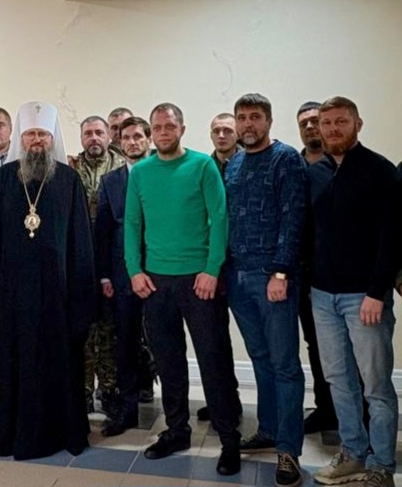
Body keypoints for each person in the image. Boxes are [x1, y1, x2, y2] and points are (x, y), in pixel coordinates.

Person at [125, 103, 241, 476]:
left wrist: (211, 269)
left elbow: (219, 217)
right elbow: (132, 224)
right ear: (151, 132)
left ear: (182, 129)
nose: (163, 132)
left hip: (199, 281)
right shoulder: (141, 172)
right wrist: (134, 271)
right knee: (168, 362)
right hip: (156, 282)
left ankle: (229, 439)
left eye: (170, 126)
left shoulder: (202, 166)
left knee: (213, 360)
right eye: (157, 127)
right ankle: (177, 431)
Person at [0, 101, 95, 460]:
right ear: (21, 138)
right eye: (30, 134)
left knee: (59, 363)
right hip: (13, 297)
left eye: (43, 134)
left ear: (52, 138)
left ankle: (62, 432)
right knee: (15, 364)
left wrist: (81, 296)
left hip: (58, 297)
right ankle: (15, 432)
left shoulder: (69, 180)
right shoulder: (3, 179)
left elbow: (80, 242)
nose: (37, 141)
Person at [308, 97, 400, 487]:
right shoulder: (317, 172)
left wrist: (377, 292)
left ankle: (381, 465)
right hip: (322, 296)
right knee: (339, 380)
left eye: (340, 122)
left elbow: (392, 238)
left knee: (375, 386)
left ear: (357, 124)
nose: (332, 129)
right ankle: (352, 454)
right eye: (326, 122)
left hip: (365, 298)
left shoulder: (380, 171)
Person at [225, 93, 306, 487]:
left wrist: (281, 272)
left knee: (285, 364)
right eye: (242, 117)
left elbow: (294, 218)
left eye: (255, 117)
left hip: (272, 277)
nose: (247, 124)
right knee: (259, 358)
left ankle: (288, 450)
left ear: (269, 121)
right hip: (237, 276)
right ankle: (269, 429)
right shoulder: (235, 162)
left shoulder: (285, 159)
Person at [94, 116, 149, 437]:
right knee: (125, 344)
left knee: (166, 343)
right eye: (126, 137)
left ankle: (175, 415)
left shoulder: (162, 173)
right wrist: (104, 276)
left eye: (138, 136)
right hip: (121, 274)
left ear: (148, 139)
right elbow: (102, 232)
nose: (132, 142)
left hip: (162, 271)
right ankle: (128, 410)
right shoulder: (110, 181)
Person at [73, 115, 124, 416]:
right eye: (88, 133)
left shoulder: (122, 168)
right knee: (84, 328)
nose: (93, 138)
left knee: (110, 329)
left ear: (108, 136)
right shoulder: (69, 169)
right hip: (81, 260)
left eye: (99, 133)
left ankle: (109, 389)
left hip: (113, 258)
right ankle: (83, 391)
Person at [294, 101, 339, 438]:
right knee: (314, 344)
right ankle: (325, 409)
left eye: (315, 121)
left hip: (341, 274)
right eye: (304, 123)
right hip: (302, 273)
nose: (310, 127)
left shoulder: (342, 165)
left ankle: (357, 413)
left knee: (345, 346)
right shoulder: (292, 166)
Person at [195, 113, 244, 423]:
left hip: (244, 264)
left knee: (258, 343)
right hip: (210, 265)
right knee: (214, 340)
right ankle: (224, 401)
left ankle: (272, 411)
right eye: (217, 130)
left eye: (228, 130)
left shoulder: (249, 164)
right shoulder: (203, 167)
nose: (222, 135)